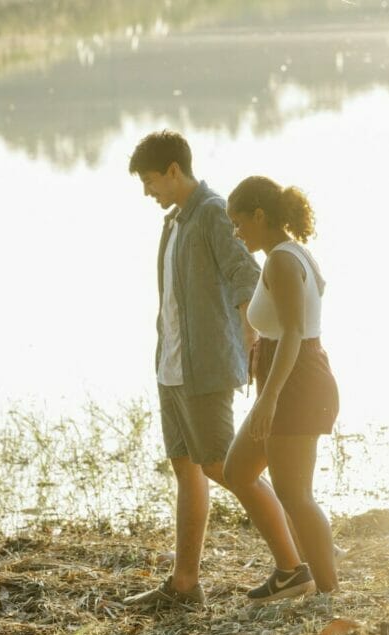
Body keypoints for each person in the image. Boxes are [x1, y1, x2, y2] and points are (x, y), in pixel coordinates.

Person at [122, 132, 311, 608]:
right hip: (172, 366)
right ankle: (185, 585)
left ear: (173, 170)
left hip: (204, 366)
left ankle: (294, 567)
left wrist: (251, 341)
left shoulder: (210, 213)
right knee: (188, 468)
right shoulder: (174, 222)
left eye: (150, 181)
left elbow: (246, 277)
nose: (148, 192)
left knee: (225, 467)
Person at [223, 175, 341, 599]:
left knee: (296, 494)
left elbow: (293, 333)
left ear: (260, 215)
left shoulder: (282, 260)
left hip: (295, 381)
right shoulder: (287, 254)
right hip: (284, 374)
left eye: (240, 224)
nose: (237, 234)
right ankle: (295, 571)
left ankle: (327, 591)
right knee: (238, 470)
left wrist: (269, 397)